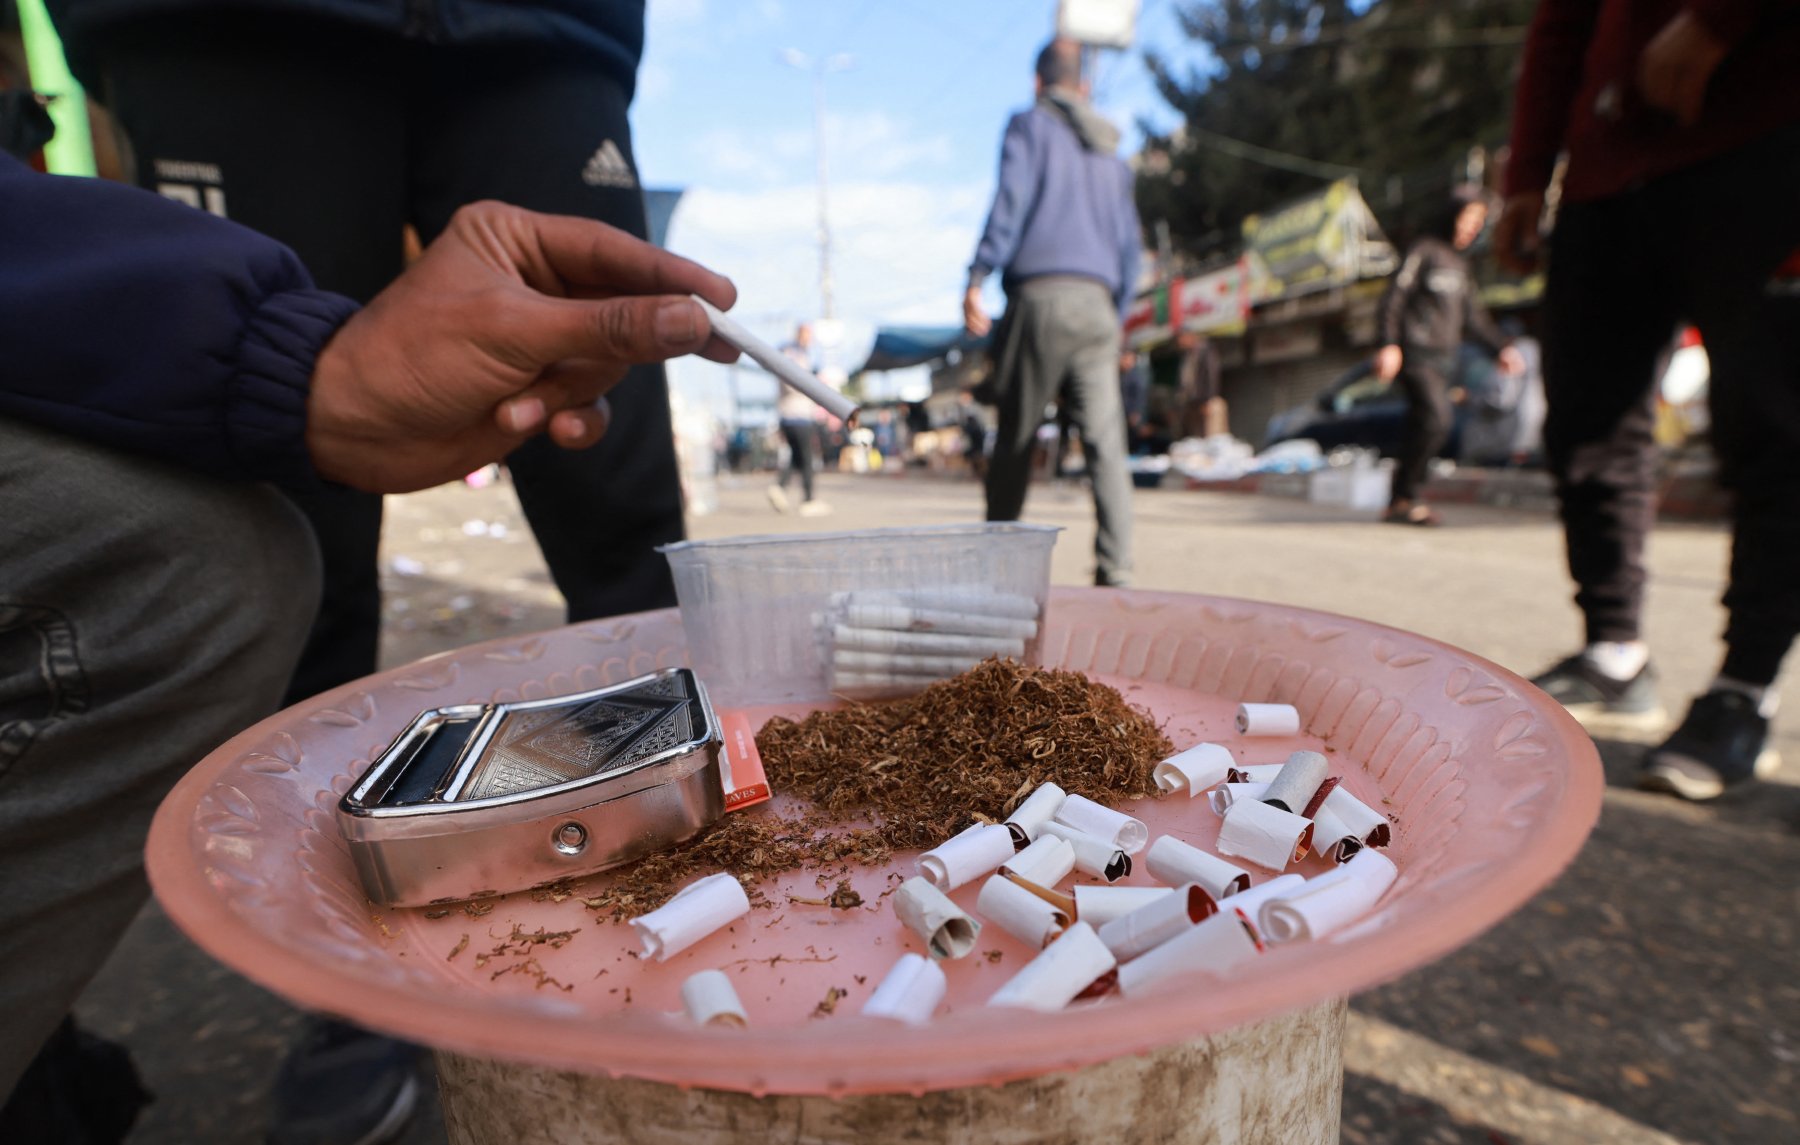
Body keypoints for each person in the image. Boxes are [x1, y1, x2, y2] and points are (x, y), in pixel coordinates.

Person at [0, 151, 736, 1139]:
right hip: (236, 72)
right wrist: (296, 363)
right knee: (242, 559)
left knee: (618, 520)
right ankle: (353, 990)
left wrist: (290, 360)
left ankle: (691, 844)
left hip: (555, 39)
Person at [1494, 0, 1800, 799]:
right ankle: (1614, 652)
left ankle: (1743, 687)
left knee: (1772, 414)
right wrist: (1529, 171)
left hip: (1764, 119)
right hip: (1608, 163)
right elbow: (1561, 19)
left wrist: (1720, 20)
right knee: (1588, 418)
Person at [963, 38, 1142, 587]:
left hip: (1040, 300)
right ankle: (1117, 572)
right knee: (1106, 446)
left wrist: (978, 274)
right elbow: (1130, 248)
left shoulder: (1029, 126)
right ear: (1083, 88)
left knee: (1018, 436)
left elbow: (1010, 201)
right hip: (1097, 307)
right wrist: (1116, 313)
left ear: (1038, 83)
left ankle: (998, 572)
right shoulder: (1112, 156)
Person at [1372, 185, 1525, 526]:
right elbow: (1394, 297)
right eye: (1468, 217)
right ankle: (1405, 497)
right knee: (1436, 419)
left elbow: (1474, 317)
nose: (1473, 226)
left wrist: (1502, 347)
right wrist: (1388, 343)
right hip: (1415, 353)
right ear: (1452, 214)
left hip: (1445, 359)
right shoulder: (1424, 250)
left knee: (1424, 426)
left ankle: (1399, 501)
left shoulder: (1460, 265)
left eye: (1479, 221)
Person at [767, 322, 831, 517]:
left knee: (797, 457)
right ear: (800, 335)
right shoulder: (791, 355)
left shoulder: (797, 355)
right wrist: (814, 383)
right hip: (797, 415)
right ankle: (809, 500)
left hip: (792, 414)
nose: (809, 339)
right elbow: (792, 384)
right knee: (807, 458)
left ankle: (780, 487)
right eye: (807, 335)